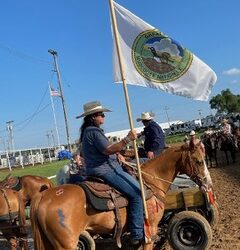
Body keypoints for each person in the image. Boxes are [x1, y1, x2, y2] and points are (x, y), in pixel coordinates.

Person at [76, 101, 144, 244]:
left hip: (101, 167)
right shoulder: (94, 132)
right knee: (137, 193)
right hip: (106, 170)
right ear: (93, 117)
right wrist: (127, 139)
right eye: (101, 114)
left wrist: (117, 154)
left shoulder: (88, 132)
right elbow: (107, 150)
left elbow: (104, 151)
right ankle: (137, 234)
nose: (104, 117)